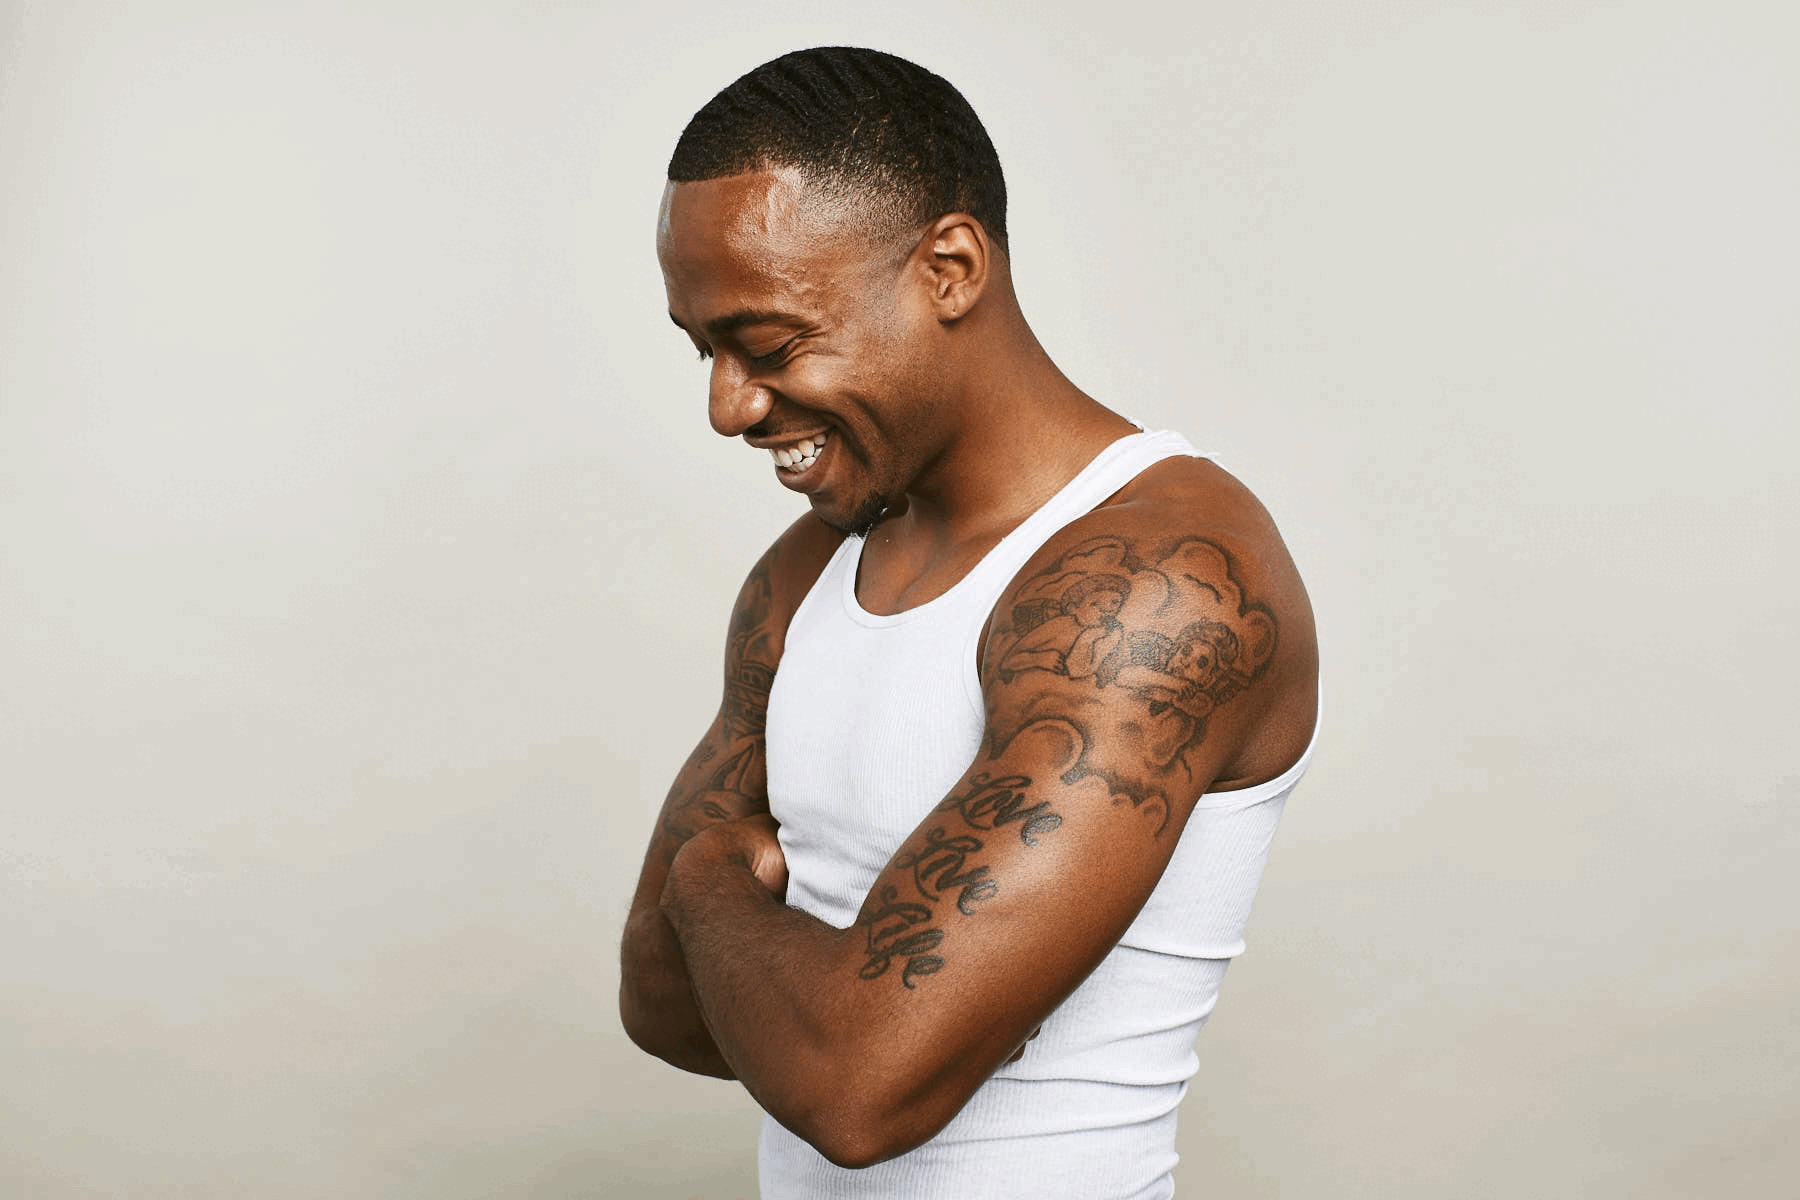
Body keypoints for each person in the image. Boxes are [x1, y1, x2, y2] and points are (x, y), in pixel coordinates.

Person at [619, 46, 1319, 1199]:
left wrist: (705, 883)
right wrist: (790, 982)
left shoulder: (1156, 579)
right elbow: (665, 1011)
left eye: (771, 344)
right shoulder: (803, 575)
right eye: (705, 351)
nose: (728, 406)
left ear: (948, 268)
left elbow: (854, 1090)